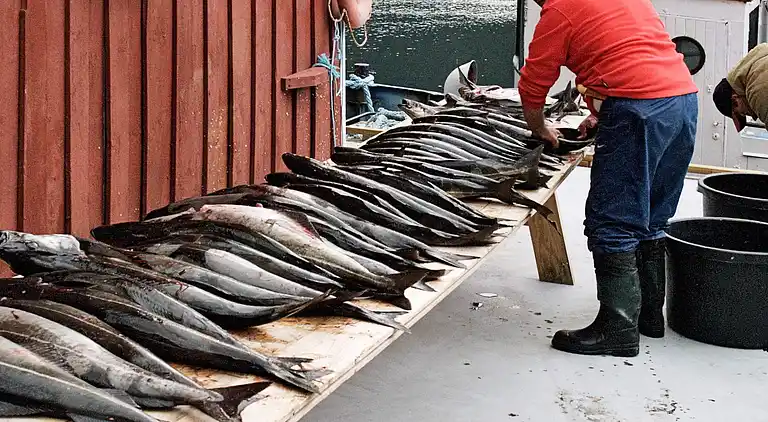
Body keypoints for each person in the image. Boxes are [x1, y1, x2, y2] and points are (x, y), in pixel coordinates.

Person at [517, 0, 699, 357]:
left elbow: (534, 84)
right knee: (652, 215)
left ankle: (617, 329)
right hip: (682, 102)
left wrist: (541, 128)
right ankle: (649, 317)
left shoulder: (559, 12)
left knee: (612, 220)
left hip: (637, 108)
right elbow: (629, 54)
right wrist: (603, 116)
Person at [712, 43, 768, 131]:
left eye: (744, 113)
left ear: (735, 99)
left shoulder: (757, 90)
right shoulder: (761, 57)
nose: (754, 117)